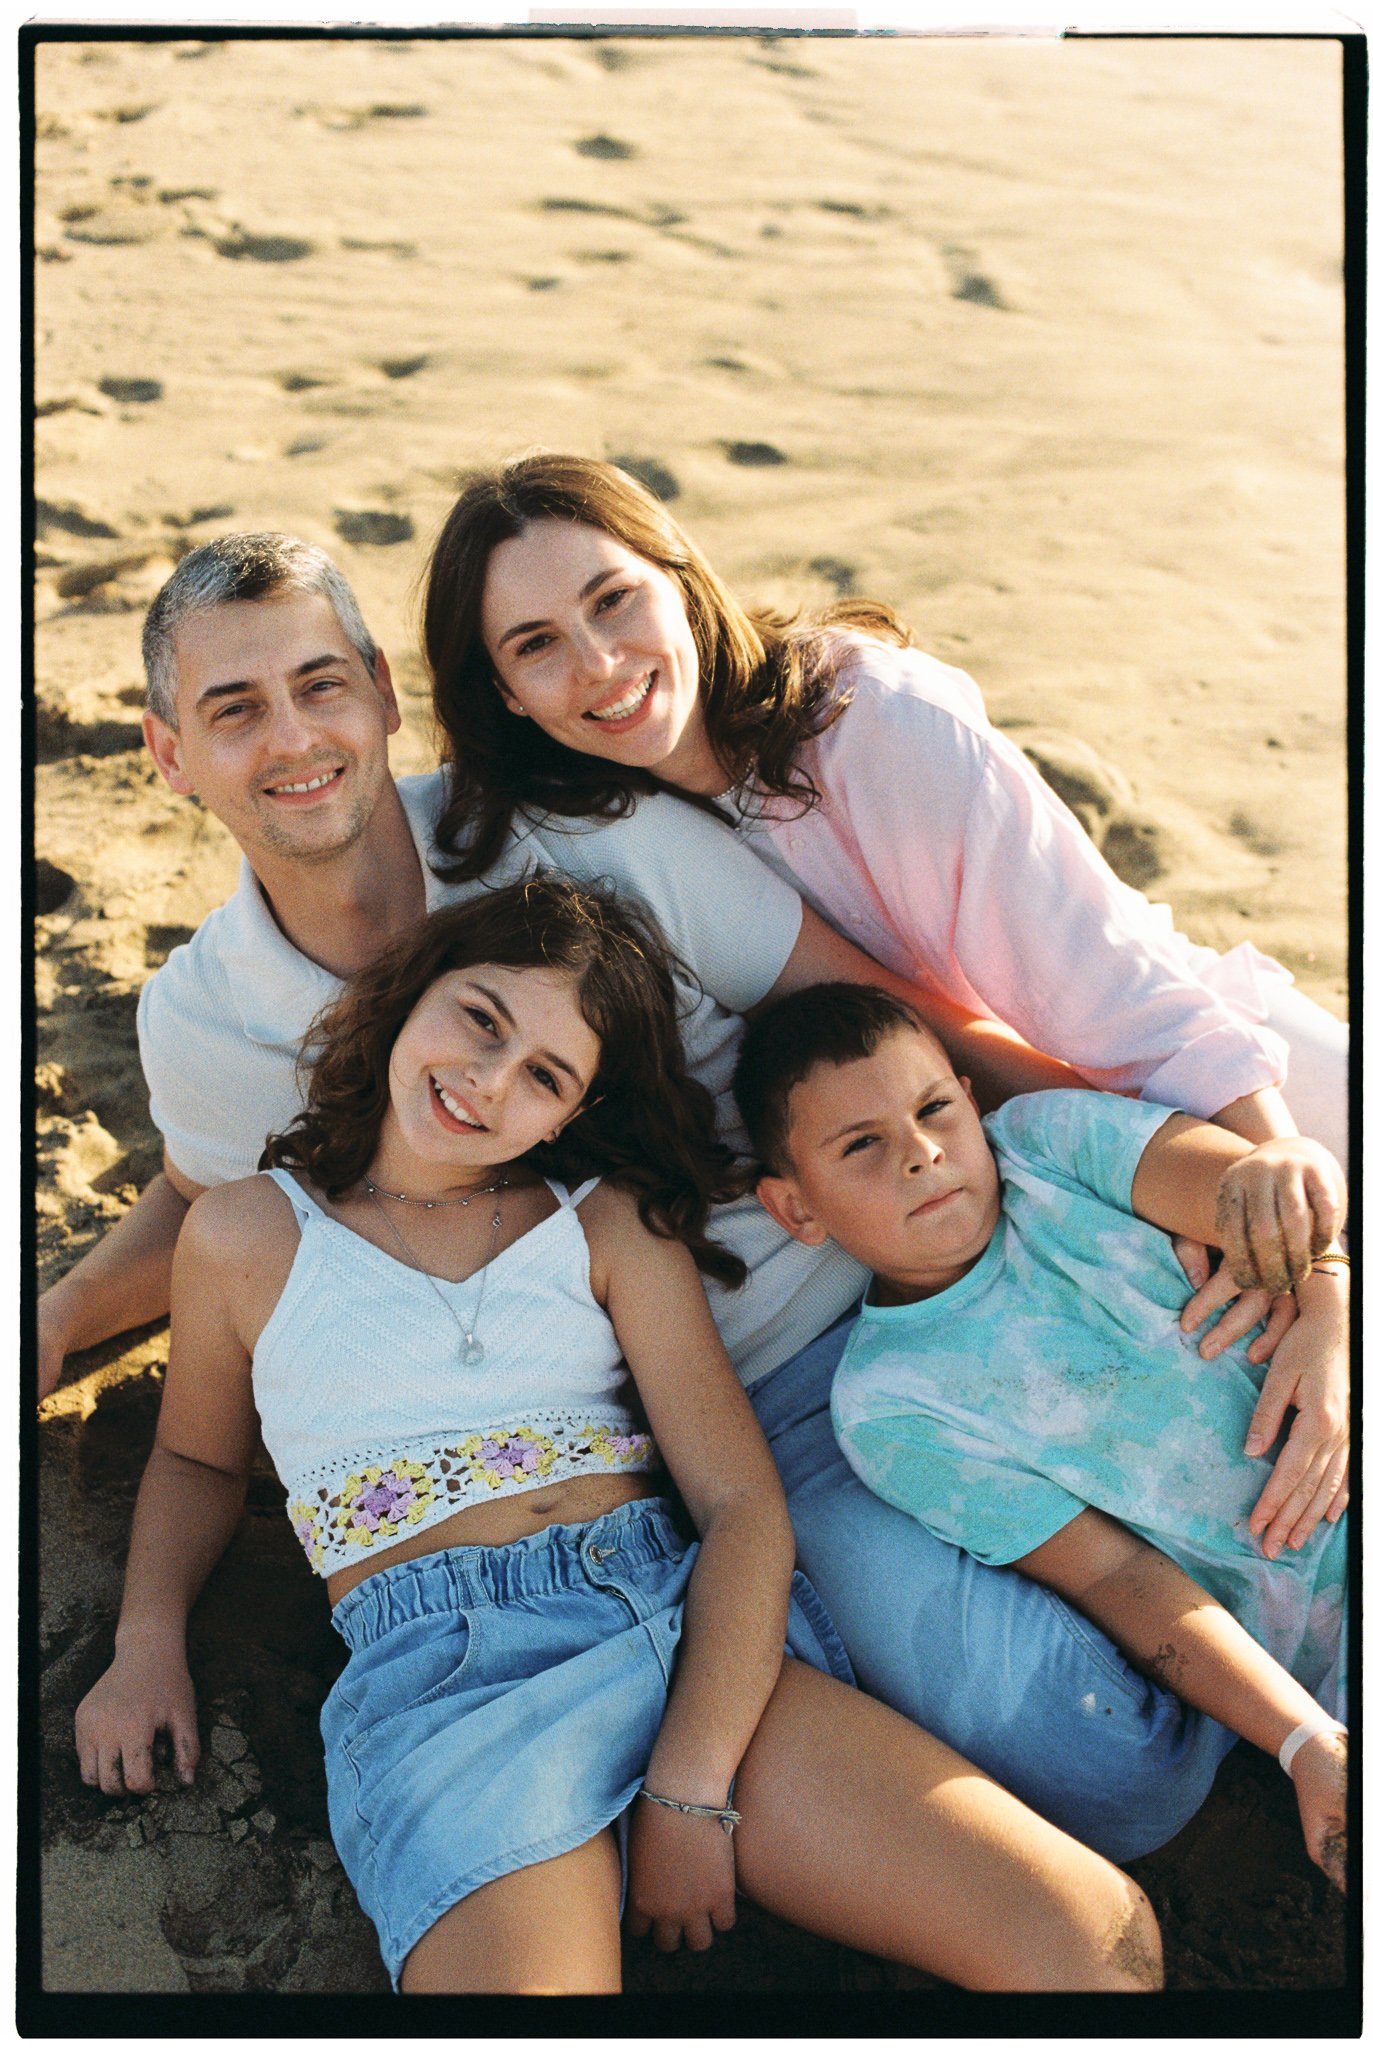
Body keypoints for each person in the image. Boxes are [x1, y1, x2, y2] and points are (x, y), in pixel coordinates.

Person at [414, 454, 1349, 1850]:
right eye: (536, 646)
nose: (600, 665)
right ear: (497, 691)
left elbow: (1116, 1009)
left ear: (680, 577)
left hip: (1191, 1108)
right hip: (999, 1169)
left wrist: (1310, 1250)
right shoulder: (603, 820)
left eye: (616, 601)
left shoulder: (868, 724)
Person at [72, 881, 1162, 1995]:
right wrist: (144, 1641)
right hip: (450, 1684)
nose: (489, 1078)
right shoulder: (247, 1231)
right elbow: (195, 1459)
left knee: (1091, 1940)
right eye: (480, 1019)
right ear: (409, 996)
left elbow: (740, 1506)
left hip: (673, 1625)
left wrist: (690, 1789)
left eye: (545, 1074)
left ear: (570, 1114)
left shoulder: (607, 1221)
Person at [732, 982, 1348, 1887]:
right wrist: (1301, 1743)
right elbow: (1116, 1575)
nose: (922, 1153)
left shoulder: (1056, 1145)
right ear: (795, 1210)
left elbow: (1255, 1197)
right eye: (862, 1145)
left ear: (970, 1103)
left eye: (934, 1108)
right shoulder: (890, 1405)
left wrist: (1328, 1308)